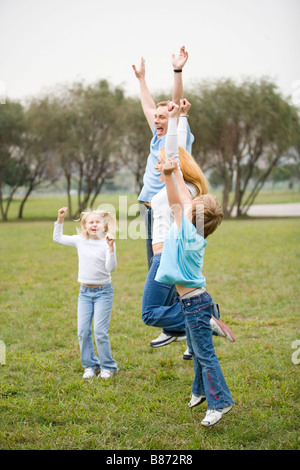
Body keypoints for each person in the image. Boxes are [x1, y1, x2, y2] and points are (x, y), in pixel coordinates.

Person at [141, 100, 235, 356]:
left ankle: (203, 318)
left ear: (174, 164)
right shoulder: (169, 187)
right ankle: (199, 331)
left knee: (149, 312)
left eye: (161, 162)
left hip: (166, 257)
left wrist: (175, 119)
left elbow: (173, 151)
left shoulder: (188, 190)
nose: (158, 166)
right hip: (165, 255)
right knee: (181, 302)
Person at [155, 157, 234, 427]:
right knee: (199, 351)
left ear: (193, 217)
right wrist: (176, 170)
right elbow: (187, 201)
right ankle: (200, 390)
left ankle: (220, 402)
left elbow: (177, 202)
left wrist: (168, 176)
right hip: (195, 303)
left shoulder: (186, 233)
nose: (189, 205)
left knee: (205, 354)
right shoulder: (195, 232)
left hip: (194, 304)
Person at [132, 46, 194, 269]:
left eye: (162, 117)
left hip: (166, 209)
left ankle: (169, 303)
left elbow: (175, 104)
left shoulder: (175, 138)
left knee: (164, 264)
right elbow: (148, 106)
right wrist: (141, 80)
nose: (156, 120)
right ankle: (163, 304)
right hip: (149, 208)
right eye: (155, 118)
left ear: (173, 119)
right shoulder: (157, 138)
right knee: (155, 265)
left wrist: (177, 72)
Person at [53, 207, 118, 380]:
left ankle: (108, 367)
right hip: (84, 293)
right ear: (85, 227)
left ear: (104, 226)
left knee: (100, 332)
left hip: (103, 292)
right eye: (91, 222)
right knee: (82, 331)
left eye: (98, 222)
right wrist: (60, 219)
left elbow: (111, 268)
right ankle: (90, 365)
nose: (94, 224)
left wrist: (111, 248)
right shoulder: (80, 240)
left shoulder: (107, 242)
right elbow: (57, 238)